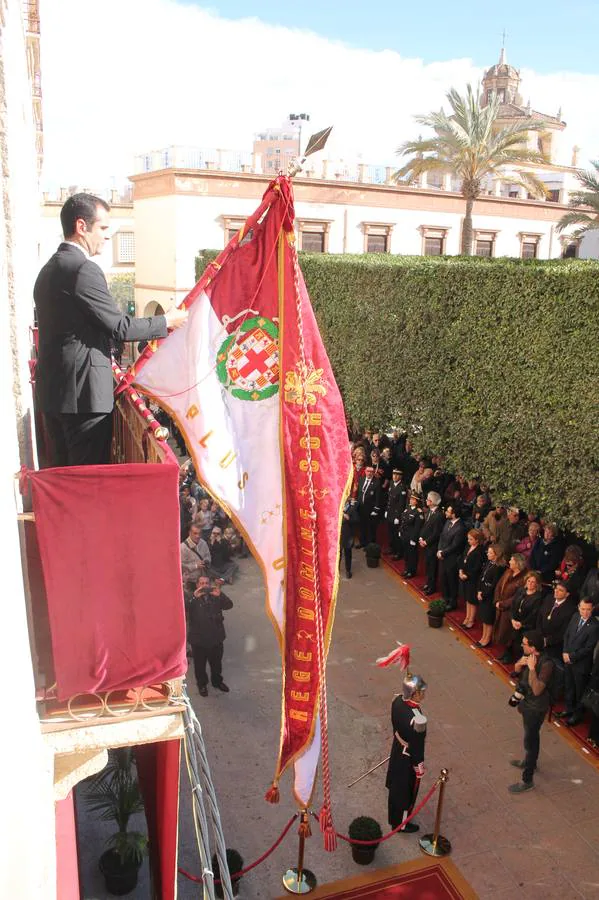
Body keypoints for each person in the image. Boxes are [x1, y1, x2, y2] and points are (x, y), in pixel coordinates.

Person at [34, 192, 188, 466]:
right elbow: (120, 326)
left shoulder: (48, 269)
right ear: (82, 227)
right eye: (103, 228)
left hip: (56, 395)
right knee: (87, 483)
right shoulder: (83, 270)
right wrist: (167, 321)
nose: (108, 236)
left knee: (65, 479)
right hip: (84, 400)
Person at [508, 630, 554, 793]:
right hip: (527, 704)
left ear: (533, 647)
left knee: (531, 740)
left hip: (536, 708)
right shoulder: (528, 658)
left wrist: (532, 669)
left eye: (525, 643)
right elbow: (518, 677)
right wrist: (518, 666)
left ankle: (527, 779)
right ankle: (530, 762)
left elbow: (537, 689)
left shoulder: (546, 664)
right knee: (530, 737)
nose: (522, 645)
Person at [386, 672, 427, 833]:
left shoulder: (396, 701)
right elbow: (417, 745)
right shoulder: (418, 719)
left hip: (398, 746)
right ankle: (401, 824)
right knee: (405, 791)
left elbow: (395, 725)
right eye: (421, 692)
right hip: (408, 756)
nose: (423, 694)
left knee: (395, 785)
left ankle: (394, 817)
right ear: (414, 693)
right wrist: (419, 765)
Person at [187, 575, 233, 696]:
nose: (204, 586)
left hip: (216, 637)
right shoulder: (191, 597)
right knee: (200, 666)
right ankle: (202, 685)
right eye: (201, 583)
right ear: (197, 585)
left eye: (206, 583)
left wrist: (221, 595)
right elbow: (184, 609)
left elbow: (229, 605)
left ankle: (217, 682)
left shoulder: (216, 596)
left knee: (216, 664)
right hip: (198, 640)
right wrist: (193, 598)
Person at [556, 598, 599, 726]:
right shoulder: (575, 616)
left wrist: (571, 656)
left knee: (579, 690)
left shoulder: (595, 626)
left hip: (580, 665)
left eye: (588, 610)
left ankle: (577, 715)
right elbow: (567, 635)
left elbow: (588, 648)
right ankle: (569, 709)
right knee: (569, 686)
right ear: (579, 608)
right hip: (567, 659)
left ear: (592, 610)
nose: (585, 612)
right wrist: (565, 652)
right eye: (583, 609)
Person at [493, 553, 529, 662]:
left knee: (508, 633)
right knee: (502, 631)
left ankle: (509, 655)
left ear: (518, 563)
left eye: (512, 560)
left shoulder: (523, 578)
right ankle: (505, 652)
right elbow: (499, 586)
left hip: (511, 610)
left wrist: (503, 604)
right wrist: (497, 601)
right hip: (501, 607)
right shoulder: (508, 572)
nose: (509, 562)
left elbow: (517, 596)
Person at [507, 571, 544, 670]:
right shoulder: (521, 591)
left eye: (533, 582)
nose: (530, 584)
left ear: (537, 584)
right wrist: (512, 619)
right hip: (515, 622)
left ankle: (519, 667)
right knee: (512, 641)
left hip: (526, 627)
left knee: (521, 647)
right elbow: (514, 604)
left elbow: (533, 614)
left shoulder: (538, 597)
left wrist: (521, 624)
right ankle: (509, 657)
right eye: (529, 581)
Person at [476, 543, 507, 648]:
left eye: (490, 552)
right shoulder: (489, 562)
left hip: (489, 596)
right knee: (484, 617)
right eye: (488, 552)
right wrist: (479, 590)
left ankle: (487, 639)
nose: (488, 554)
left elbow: (494, 585)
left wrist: (484, 594)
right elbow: (482, 576)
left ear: (496, 554)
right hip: (483, 592)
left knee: (488, 618)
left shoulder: (499, 567)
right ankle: (483, 636)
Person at [436, 505, 466, 611]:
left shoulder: (460, 528)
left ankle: (452, 602)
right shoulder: (448, 522)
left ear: (454, 514)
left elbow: (455, 545)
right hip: (443, 556)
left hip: (452, 559)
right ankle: (445, 598)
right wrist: (439, 550)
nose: (446, 513)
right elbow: (442, 536)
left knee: (452, 581)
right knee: (443, 578)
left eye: (448, 511)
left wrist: (443, 553)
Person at [537, 582, 577, 660]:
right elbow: (539, 616)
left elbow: (564, 631)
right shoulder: (549, 598)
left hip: (554, 645)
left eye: (560, 590)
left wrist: (547, 641)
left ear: (567, 594)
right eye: (556, 589)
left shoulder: (570, 609)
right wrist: (539, 635)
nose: (556, 591)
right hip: (540, 636)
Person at [418, 492, 444, 594]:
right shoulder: (429, 511)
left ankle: (432, 587)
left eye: (428, 499)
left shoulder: (439, 515)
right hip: (426, 543)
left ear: (432, 502)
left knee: (432, 567)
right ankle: (428, 583)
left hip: (432, 545)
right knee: (428, 565)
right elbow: (426, 526)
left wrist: (426, 542)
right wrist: (421, 537)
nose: (426, 501)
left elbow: (436, 533)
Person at [460, 529, 486, 628]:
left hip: (473, 579)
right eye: (468, 539)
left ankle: (471, 620)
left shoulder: (480, 551)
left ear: (477, 540)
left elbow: (477, 567)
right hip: (464, 576)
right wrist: (461, 570)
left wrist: (467, 575)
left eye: (471, 539)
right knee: (467, 599)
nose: (468, 541)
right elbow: (463, 558)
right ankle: (467, 617)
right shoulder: (468, 546)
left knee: (472, 600)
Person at [399, 494, 423, 578]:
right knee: (406, 554)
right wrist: (400, 531)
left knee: (412, 555)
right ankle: (407, 569)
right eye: (411, 499)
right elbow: (403, 521)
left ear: (416, 502)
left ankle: (411, 571)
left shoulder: (418, 512)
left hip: (411, 537)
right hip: (405, 535)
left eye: (413, 500)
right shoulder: (407, 509)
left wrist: (414, 539)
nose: (411, 500)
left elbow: (417, 527)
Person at [357, 465, 381, 547]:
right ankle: (362, 542)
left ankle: (369, 545)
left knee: (370, 528)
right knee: (362, 526)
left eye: (371, 472)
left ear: (373, 473)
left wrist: (376, 509)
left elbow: (378, 497)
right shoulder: (361, 479)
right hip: (361, 507)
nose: (369, 473)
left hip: (370, 509)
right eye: (368, 471)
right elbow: (358, 493)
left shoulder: (377, 482)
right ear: (365, 471)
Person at [386, 469, 408, 559]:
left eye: (397, 475)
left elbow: (401, 504)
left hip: (396, 514)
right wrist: (387, 510)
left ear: (400, 476)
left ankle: (399, 552)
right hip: (390, 511)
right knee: (390, 532)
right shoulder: (391, 483)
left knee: (397, 534)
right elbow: (389, 499)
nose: (394, 476)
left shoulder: (402, 487)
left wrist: (398, 516)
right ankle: (392, 548)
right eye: (393, 474)